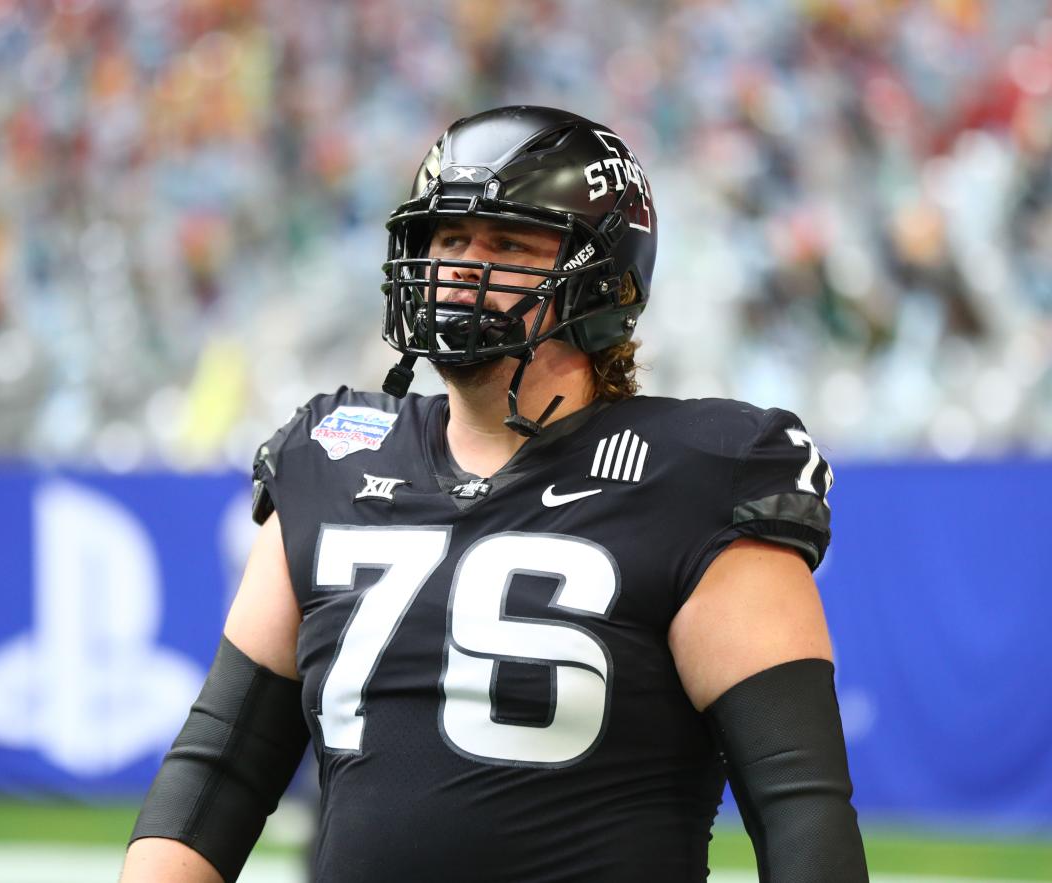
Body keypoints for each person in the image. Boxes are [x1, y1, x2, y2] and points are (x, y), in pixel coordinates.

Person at [121, 105, 869, 882]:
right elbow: (216, 772)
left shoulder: (702, 477)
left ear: (603, 275)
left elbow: (802, 813)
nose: (459, 265)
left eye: (506, 241)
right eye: (447, 237)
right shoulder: (330, 456)